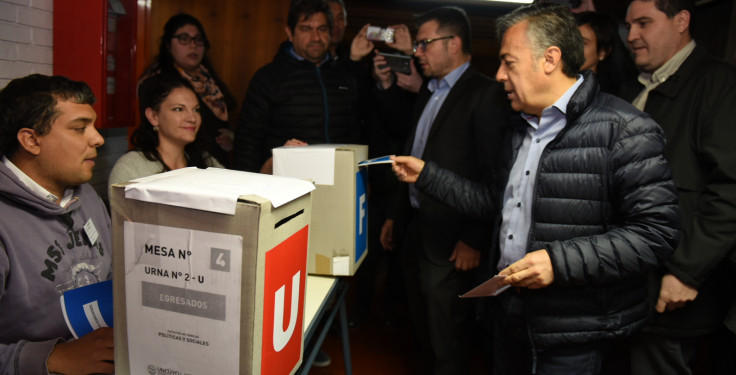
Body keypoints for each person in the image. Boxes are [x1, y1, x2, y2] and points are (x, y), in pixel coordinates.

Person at [390, 4, 680, 374]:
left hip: (572, 335)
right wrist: (427, 175)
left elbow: (656, 234)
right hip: (510, 318)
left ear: (550, 59)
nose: (498, 75)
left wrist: (558, 263)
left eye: (508, 63)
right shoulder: (520, 128)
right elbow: (492, 203)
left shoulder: (625, 130)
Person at [375, 6, 509, 374]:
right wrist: (394, 215)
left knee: (448, 333)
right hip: (417, 226)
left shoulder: (485, 95)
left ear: (453, 43)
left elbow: (492, 177)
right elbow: (412, 152)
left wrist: (474, 239)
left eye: (424, 44)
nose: (417, 52)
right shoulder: (431, 90)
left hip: (453, 239)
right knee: (422, 325)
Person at [621, 0, 736, 373]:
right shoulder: (632, 86)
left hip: (670, 290)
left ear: (681, 21)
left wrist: (685, 272)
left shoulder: (722, 86)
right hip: (623, 282)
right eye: (629, 25)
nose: (631, 35)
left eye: (644, 23)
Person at [0, 74, 113, 375]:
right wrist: (51, 358)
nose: (98, 138)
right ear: (31, 140)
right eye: (79, 128)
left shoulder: (87, 196)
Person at [233, 0, 373, 174]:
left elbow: (355, 135)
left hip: (339, 181)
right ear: (290, 33)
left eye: (322, 29)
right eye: (306, 29)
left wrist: (363, 178)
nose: (315, 37)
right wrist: (247, 186)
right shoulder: (269, 77)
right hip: (285, 184)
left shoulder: (344, 76)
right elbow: (248, 140)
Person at [141, 13, 236, 167]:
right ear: (168, 44)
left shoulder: (208, 79)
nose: (193, 45)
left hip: (212, 162)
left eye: (198, 39)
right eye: (184, 39)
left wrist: (232, 137)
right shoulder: (156, 81)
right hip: (176, 161)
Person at [109, 74, 223, 187]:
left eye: (196, 110)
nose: (192, 118)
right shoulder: (131, 167)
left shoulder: (207, 162)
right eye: (179, 109)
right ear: (154, 116)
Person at [574, 11, 638, 94]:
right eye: (571, 40)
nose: (573, 47)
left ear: (602, 52)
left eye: (583, 43)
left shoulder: (604, 94)